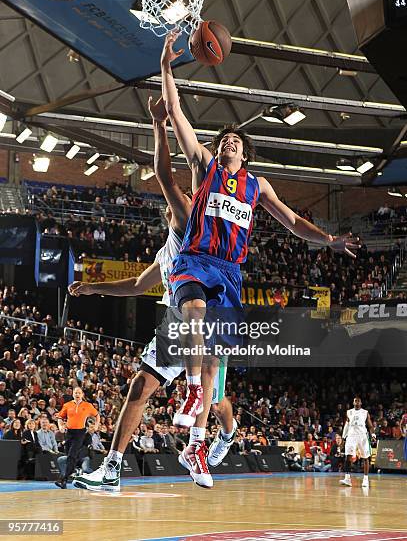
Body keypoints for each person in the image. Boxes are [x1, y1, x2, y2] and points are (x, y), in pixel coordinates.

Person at [160, 29, 360, 486]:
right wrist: (168, 69)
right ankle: (192, 395)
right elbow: (176, 113)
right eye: (225, 137)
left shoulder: (257, 185)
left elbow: (292, 222)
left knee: (216, 364)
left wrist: (328, 239)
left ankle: (197, 450)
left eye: (235, 140)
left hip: (230, 272)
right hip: (196, 258)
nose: (229, 141)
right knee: (191, 309)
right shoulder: (203, 164)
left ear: (245, 153)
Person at [70, 98, 236, 492]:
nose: (170, 205)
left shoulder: (187, 222)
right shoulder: (167, 252)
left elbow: (165, 175)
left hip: (207, 313)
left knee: (215, 403)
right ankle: (111, 470)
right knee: (140, 387)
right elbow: (136, 285)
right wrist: (94, 287)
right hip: (176, 324)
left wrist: (159, 124)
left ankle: (224, 436)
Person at [54, 386, 99, 489]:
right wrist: (61, 426)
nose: (77, 394)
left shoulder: (87, 405)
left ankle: (63, 479)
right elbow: (60, 417)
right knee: (69, 457)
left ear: (82, 394)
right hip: (69, 433)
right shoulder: (67, 405)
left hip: (80, 432)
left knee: (71, 455)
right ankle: (64, 482)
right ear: (73, 394)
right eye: (75, 393)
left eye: (79, 393)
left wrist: (96, 426)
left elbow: (97, 415)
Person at [340, 396, 376, 488]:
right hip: (351, 436)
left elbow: (370, 426)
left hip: (362, 436)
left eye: (358, 401)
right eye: (355, 401)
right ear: (353, 403)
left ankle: (365, 479)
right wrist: (343, 438)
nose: (356, 402)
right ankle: (347, 479)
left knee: (365, 457)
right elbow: (347, 425)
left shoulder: (365, 412)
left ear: (361, 403)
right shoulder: (349, 412)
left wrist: (373, 435)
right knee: (348, 456)